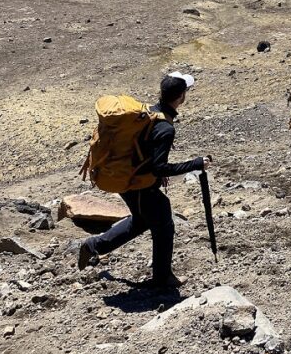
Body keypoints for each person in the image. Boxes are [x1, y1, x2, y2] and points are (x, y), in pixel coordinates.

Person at [78, 72, 209, 290]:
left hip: (127, 178)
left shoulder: (149, 112)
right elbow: (158, 168)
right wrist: (195, 164)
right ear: (181, 97)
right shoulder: (165, 128)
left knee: (142, 221)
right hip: (139, 185)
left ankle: (93, 246)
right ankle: (162, 277)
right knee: (163, 224)